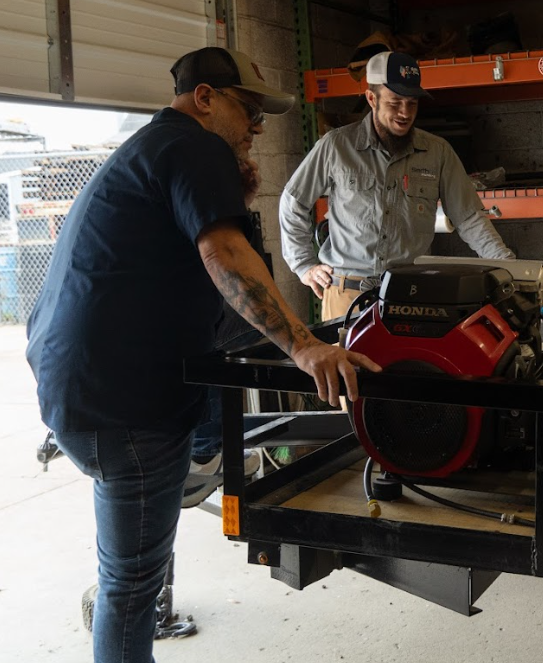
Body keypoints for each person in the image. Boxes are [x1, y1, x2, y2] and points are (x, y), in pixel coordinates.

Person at [25, 46, 380, 663]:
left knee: (134, 565)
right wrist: (302, 344)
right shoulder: (195, 146)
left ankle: (204, 449)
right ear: (206, 98)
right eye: (249, 109)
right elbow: (223, 254)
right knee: (132, 583)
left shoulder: (154, 149)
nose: (258, 127)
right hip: (121, 402)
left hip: (89, 380)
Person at [279, 50, 514, 321]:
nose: (405, 113)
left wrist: (509, 267)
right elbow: (293, 201)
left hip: (411, 296)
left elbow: (470, 217)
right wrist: (304, 265)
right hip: (347, 297)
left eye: (412, 103)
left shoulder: (437, 152)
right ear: (372, 99)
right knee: (346, 364)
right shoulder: (336, 147)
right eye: (395, 102)